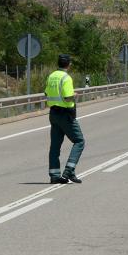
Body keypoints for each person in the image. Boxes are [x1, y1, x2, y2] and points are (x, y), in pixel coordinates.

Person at [45, 54, 84, 184]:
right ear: (69, 64)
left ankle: (54, 175)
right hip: (66, 114)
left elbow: (46, 93)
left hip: (53, 114)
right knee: (79, 141)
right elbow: (68, 97)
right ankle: (69, 170)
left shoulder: (51, 76)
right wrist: (75, 95)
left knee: (55, 146)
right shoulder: (66, 78)